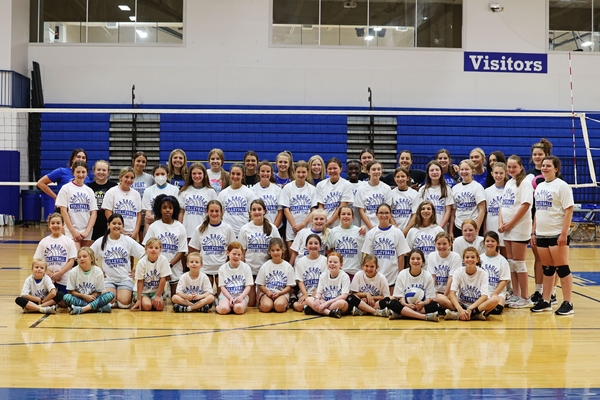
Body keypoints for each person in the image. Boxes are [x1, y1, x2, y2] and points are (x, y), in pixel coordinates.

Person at [530, 156, 575, 315]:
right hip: (542, 234)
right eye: (543, 165)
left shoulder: (562, 186)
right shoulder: (540, 187)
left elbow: (569, 210)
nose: (545, 168)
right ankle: (546, 301)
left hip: (557, 234)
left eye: (548, 166)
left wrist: (564, 233)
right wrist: (534, 232)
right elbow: (537, 212)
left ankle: (568, 303)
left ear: (556, 168)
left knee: (562, 268)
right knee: (547, 269)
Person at [500, 155, 534, 309]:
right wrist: (501, 223)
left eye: (514, 167)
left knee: (519, 263)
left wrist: (510, 224)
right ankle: (516, 294)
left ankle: (526, 297)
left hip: (519, 228)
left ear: (521, 167)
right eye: (509, 167)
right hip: (507, 229)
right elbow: (503, 205)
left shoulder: (525, 183)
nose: (511, 169)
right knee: (511, 263)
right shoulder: (509, 183)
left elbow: (525, 206)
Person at [90, 213, 145, 309]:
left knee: (124, 303)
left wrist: (137, 271)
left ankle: (120, 297)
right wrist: (97, 271)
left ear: (122, 226)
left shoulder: (128, 240)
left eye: (119, 224)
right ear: (108, 225)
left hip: (125, 279)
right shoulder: (101, 241)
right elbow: (88, 256)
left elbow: (144, 254)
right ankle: (113, 299)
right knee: (109, 301)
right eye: (114, 223)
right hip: (108, 280)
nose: (117, 226)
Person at [143, 194, 188, 298]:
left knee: (175, 298)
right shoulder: (154, 226)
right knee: (157, 300)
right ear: (159, 209)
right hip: (156, 267)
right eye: (164, 207)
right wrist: (159, 265)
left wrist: (170, 265)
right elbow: (147, 247)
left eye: (170, 208)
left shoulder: (180, 227)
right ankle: (161, 293)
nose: (167, 210)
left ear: (174, 209)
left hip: (175, 267)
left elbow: (182, 251)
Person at [238, 199, 281, 306]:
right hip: (251, 269)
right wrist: (243, 269)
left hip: (266, 270)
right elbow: (242, 251)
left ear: (264, 211)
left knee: (261, 304)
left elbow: (278, 248)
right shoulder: (245, 229)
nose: (257, 212)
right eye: (254, 210)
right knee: (251, 303)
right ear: (250, 212)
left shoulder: (272, 228)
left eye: (259, 209)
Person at [527, 138, 554, 304]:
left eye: (540, 154)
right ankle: (538, 290)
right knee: (538, 258)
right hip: (533, 219)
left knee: (552, 260)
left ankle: (550, 292)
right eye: (534, 154)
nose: (537, 157)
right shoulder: (529, 175)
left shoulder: (554, 176)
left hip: (550, 221)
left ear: (546, 155)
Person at [188, 200, 236, 289]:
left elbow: (233, 249)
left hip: (222, 268)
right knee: (207, 298)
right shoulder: (199, 229)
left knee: (221, 300)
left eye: (217, 211)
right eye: (211, 211)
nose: (214, 213)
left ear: (222, 212)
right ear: (207, 211)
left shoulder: (228, 228)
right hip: (205, 268)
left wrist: (228, 265)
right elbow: (194, 250)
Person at [382, 249, 440, 322]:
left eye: (418, 259)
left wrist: (423, 303)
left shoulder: (427, 276)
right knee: (392, 303)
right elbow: (400, 297)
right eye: (412, 259)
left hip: (421, 306)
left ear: (423, 261)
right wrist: (406, 305)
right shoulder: (402, 274)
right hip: (406, 305)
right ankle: (424, 317)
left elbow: (429, 298)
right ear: (409, 261)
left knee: (435, 305)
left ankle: (403, 314)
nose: (415, 261)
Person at [362, 203, 410, 287]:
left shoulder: (397, 232)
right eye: (381, 213)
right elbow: (367, 256)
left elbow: (401, 256)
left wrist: (400, 276)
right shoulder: (371, 233)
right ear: (376, 215)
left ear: (390, 214)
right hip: (374, 276)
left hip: (392, 276)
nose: (384, 215)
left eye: (387, 213)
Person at [55, 160, 98, 250]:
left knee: (85, 259)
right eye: (78, 172)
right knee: (75, 258)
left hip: (86, 232)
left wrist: (87, 231)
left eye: (83, 172)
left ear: (87, 173)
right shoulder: (66, 188)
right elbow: (63, 211)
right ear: (73, 172)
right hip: (71, 231)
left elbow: (93, 213)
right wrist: (73, 231)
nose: (81, 175)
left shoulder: (89, 191)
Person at [62, 247, 115, 315]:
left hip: (93, 298)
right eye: (79, 257)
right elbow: (71, 291)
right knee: (66, 297)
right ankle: (98, 308)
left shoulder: (98, 271)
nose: (81, 259)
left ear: (92, 258)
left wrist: (90, 297)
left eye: (84, 256)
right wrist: (84, 296)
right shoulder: (73, 272)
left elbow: (98, 291)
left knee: (110, 294)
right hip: (80, 298)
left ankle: (82, 309)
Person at [33, 213, 77, 295]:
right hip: (47, 277)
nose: (55, 225)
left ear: (63, 225)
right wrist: (50, 274)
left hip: (64, 278)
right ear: (48, 225)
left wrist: (60, 274)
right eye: (52, 223)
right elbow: (37, 260)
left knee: (64, 302)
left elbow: (71, 261)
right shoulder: (44, 242)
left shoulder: (69, 241)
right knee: (47, 298)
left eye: (58, 223)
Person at [444, 247, 492, 321]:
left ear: (477, 259)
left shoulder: (483, 273)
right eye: (467, 257)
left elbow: (484, 296)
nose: (470, 259)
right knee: (440, 298)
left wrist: (470, 308)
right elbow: (451, 294)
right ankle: (470, 315)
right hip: (461, 304)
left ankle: (461, 315)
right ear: (463, 260)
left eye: (473, 257)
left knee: (495, 299)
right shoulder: (458, 272)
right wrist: (459, 309)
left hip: (476, 305)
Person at [280, 160, 317, 248]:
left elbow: (314, 210)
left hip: (307, 227)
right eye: (298, 172)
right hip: (292, 230)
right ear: (294, 172)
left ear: (308, 172)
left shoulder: (312, 189)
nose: (301, 175)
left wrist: (303, 224)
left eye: (303, 172)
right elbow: (286, 210)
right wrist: (295, 226)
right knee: (292, 258)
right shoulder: (287, 188)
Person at [177, 162, 218, 240]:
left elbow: (214, 213)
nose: (197, 176)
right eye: (194, 173)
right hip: (187, 232)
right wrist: (179, 228)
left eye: (199, 173)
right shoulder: (184, 191)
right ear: (190, 175)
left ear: (204, 174)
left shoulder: (211, 192)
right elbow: (181, 212)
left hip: (205, 232)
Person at [303, 252, 350, 318]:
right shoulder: (323, 275)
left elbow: (344, 296)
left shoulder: (345, 276)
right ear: (327, 263)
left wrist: (326, 304)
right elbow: (319, 293)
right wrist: (316, 299)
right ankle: (330, 313)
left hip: (336, 303)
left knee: (342, 303)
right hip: (324, 301)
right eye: (330, 262)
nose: (332, 264)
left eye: (335, 262)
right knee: (308, 299)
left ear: (341, 265)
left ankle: (315, 310)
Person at [255, 238, 295, 313]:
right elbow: (260, 285)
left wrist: (280, 293)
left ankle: (281, 304)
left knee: (279, 307)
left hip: (281, 293)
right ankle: (265, 303)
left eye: (277, 250)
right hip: (267, 293)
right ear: (269, 252)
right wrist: (267, 291)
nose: (275, 252)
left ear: (282, 250)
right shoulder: (265, 266)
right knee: (266, 307)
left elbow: (289, 286)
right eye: (272, 250)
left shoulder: (288, 267)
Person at [217, 163, 257, 237]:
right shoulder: (223, 193)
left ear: (243, 176)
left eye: (238, 174)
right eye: (233, 173)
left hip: (244, 233)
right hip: (226, 233)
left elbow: (253, 214)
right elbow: (219, 214)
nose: (235, 176)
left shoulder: (249, 193)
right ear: (229, 175)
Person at [131, 238, 171, 311]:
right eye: (151, 247)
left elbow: (163, 279)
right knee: (147, 306)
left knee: (160, 307)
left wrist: (158, 296)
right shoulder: (141, 262)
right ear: (146, 249)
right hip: (143, 292)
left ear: (160, 250)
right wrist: (139, 300)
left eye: (156, 248)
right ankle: (139, 300)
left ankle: (152, 301)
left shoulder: (163, 260)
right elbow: (140, 281)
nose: (153, 250)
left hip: (155, 292)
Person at [103, 167, 142, 240]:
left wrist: (136, 231)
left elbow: (139, 214)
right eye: (126, 177)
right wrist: (121, 231)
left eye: (132, 178)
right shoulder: (112, 192)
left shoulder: (136, 194)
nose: (129, 180)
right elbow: (108, 213)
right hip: (116, 232)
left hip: (132, 233)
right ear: (121, 177)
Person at [326, 205, 366, 279]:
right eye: (343, 214)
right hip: (339, 272)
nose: (346, 216)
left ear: (352, 217)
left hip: (355, 272)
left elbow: (365, 252)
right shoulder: (334, 231)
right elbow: (329, 251)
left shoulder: (359, 231)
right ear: (339, 217)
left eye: (349, 214)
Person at [451, 159, 486, 239]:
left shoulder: (477, 187)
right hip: (458, 226)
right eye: (462, 169)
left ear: (473, 171)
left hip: (473, 226)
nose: (464, 171)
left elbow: (482, 209)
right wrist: (451, 231)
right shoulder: (455, 188)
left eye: (467, 169)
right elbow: (453, 211)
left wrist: (477, 228)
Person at [216, 242, 254, 315]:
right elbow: (222, 287)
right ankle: (219, 305)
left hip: (241, 295)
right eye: (234, 254)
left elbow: (248, 286)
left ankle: (237, 306)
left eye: (239, 254)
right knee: (224, 310)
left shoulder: (246, 267)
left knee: (238, 309)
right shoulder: (222, 268)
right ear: (228, 253)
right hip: (226, 296)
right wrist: (230, 298)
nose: (236, 256)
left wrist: (241, 296)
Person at [292, 234, 327, 312]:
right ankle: (311, 307)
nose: (313, 246)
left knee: (319, 303)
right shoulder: (301, 261)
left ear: (320, 246)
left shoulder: (325, 260)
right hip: (306, 293)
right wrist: (305, 294)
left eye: (316, 243)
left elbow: (324, 281)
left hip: (320, 293)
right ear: (306, 246)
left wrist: (315, 294)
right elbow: (299, 280)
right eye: (310, 243)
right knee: (299, 306)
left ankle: (310, 308)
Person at [427, 232, 462, 311]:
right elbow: (432, 278)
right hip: (437, 292)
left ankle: (457, 309)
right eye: (438, 244)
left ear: (450, 244)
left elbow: (451, 279)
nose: (441, 246)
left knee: (440, 299)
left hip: (451, 293)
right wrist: (433, 294)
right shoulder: (432, 256)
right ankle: (449, 309)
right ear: (435, 244)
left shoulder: (455, 257)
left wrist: (444, 296)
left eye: (444, 244)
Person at [479, 231, 510, 315]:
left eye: (493, 241)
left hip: (497, 292)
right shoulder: (479, 258)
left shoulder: (502, 260)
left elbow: (504, 280)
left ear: (497, 243)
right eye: (487, 241)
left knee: (497, 310)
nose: (490, 243)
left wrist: (495, 293)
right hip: (482, 292)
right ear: (484, 243)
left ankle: (479, 311)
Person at [315, 157, 353, 228]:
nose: (332, 171)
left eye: (335, 168)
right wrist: (322, 220)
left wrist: (329, 222)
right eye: (329, 169)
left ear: (341, 169)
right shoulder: (320, 185)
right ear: (326, 170)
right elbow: (321, 206)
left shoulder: (347, 185)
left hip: (340, 225)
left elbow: (342, 206)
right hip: (324, 223)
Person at [355, 160, 392, 230]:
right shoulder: (361, 189)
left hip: (383, 227)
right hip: (367, 228)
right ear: (368, 172)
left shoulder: (387, 188)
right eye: (373, 169)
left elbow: (388, 210)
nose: (376, 171)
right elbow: (361, 211)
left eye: (379, 169)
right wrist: (371, 228)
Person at [141, 164, 179, 232]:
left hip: (170, 226)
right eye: (157, 174)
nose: (160, 176)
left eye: (162, 174)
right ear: (153, 175)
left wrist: (155, 218)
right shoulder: (148, 191)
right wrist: (149, 233)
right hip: (153, 227)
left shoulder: (174, 189)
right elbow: (148, 216)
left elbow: (175, 211)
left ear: (167, 174)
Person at [418, 161, 454, 232]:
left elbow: (448, 211)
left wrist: (440, 228)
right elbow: (420, 211)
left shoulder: (447, 189)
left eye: (437, 170)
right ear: (428, 173)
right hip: (426, 229)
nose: (434, 172)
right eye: (431, 170)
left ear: (441, 172)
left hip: (442, 229)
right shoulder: (422, 190)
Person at [87, 160, 117, 241]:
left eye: (104, 170)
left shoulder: (114, 186)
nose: (101, 172)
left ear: (108, 172)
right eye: (98, 169)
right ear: (94, 171)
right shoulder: (89, 187)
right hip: (93, 222)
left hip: (107, 222)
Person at [485, 161, 507, 256]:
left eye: (501, 173)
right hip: (491, 227)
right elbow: (485, 213)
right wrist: (485, 230)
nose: (498, 175)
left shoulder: (509, 190)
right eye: (496, 173)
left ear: (506, 173)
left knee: (506, 256)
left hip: (505, 228)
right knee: (492, 255)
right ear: (492, 174)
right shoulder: (487, 191)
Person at [251, 161, 283, 227]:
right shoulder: (253, 190)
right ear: (258, 173)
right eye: (262, 171)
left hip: (276, 227)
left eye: (268, 171)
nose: (265, 173)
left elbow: (280, 212)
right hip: (259, 227)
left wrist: (273, 228)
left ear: (271, 173)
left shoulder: (278, 189)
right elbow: (251, 212)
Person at [131, 151, 155, 241]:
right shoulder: (128, 176)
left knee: (144, 241)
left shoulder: (150, 178)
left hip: (145, 214)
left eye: (143, 162)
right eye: (138, 161)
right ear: (133, 161)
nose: (140, 164)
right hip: (132, 214)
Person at [389, 166, 419, 235]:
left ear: (408, 178)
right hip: (394, 230)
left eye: (403, 176)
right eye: (398, 177)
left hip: (409, 231)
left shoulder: (414, 194)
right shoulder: (391, 193)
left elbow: (415, 215)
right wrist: (396, 229)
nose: (400, 179)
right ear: (394, 179)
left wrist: (406, 231)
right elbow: (389, 214)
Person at [345, 160, 364, 227]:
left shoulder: (364, 185)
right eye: (350, 169)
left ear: (361, 170)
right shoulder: (343, 184)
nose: (353, 171)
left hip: (360, 223)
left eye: (356, 169)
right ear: (346, 170)